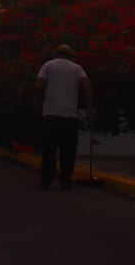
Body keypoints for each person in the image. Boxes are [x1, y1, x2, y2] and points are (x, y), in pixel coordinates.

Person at [34, 44, 94, 190]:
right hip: (70, 117)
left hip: (50, 115)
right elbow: (87, 85)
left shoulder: (48, 65)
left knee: (49, 150)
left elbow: (39, 84)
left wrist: (38, 100)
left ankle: (47, 180)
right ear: (70, 55)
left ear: (56, 54)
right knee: (68, 151)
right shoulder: (77, 68)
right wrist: (89, 107)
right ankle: (65, 180)